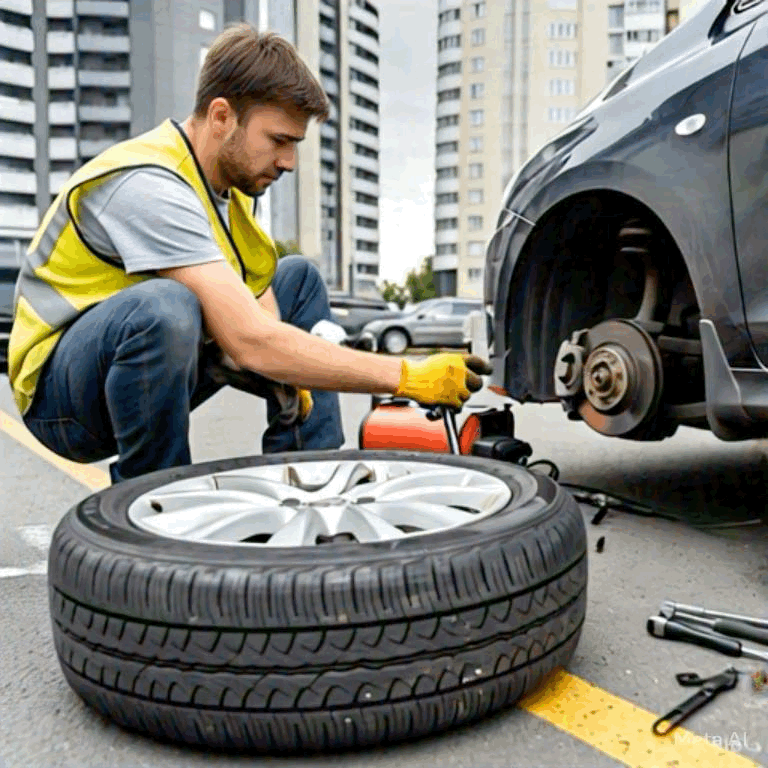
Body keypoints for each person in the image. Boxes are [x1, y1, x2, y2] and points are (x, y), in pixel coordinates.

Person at [7, 23, 491, 483]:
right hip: (62, 401)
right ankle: (154, 503)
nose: (289, 162)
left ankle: (311, 478)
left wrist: (298, 362)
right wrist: (404, 375)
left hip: (137, 368)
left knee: (298, 279)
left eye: (296, 144)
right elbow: (249, 341)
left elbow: (265, 313)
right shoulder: (148, 185)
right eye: (279, 140)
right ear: (221, 117)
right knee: (164, 308)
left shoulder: (230, 194)